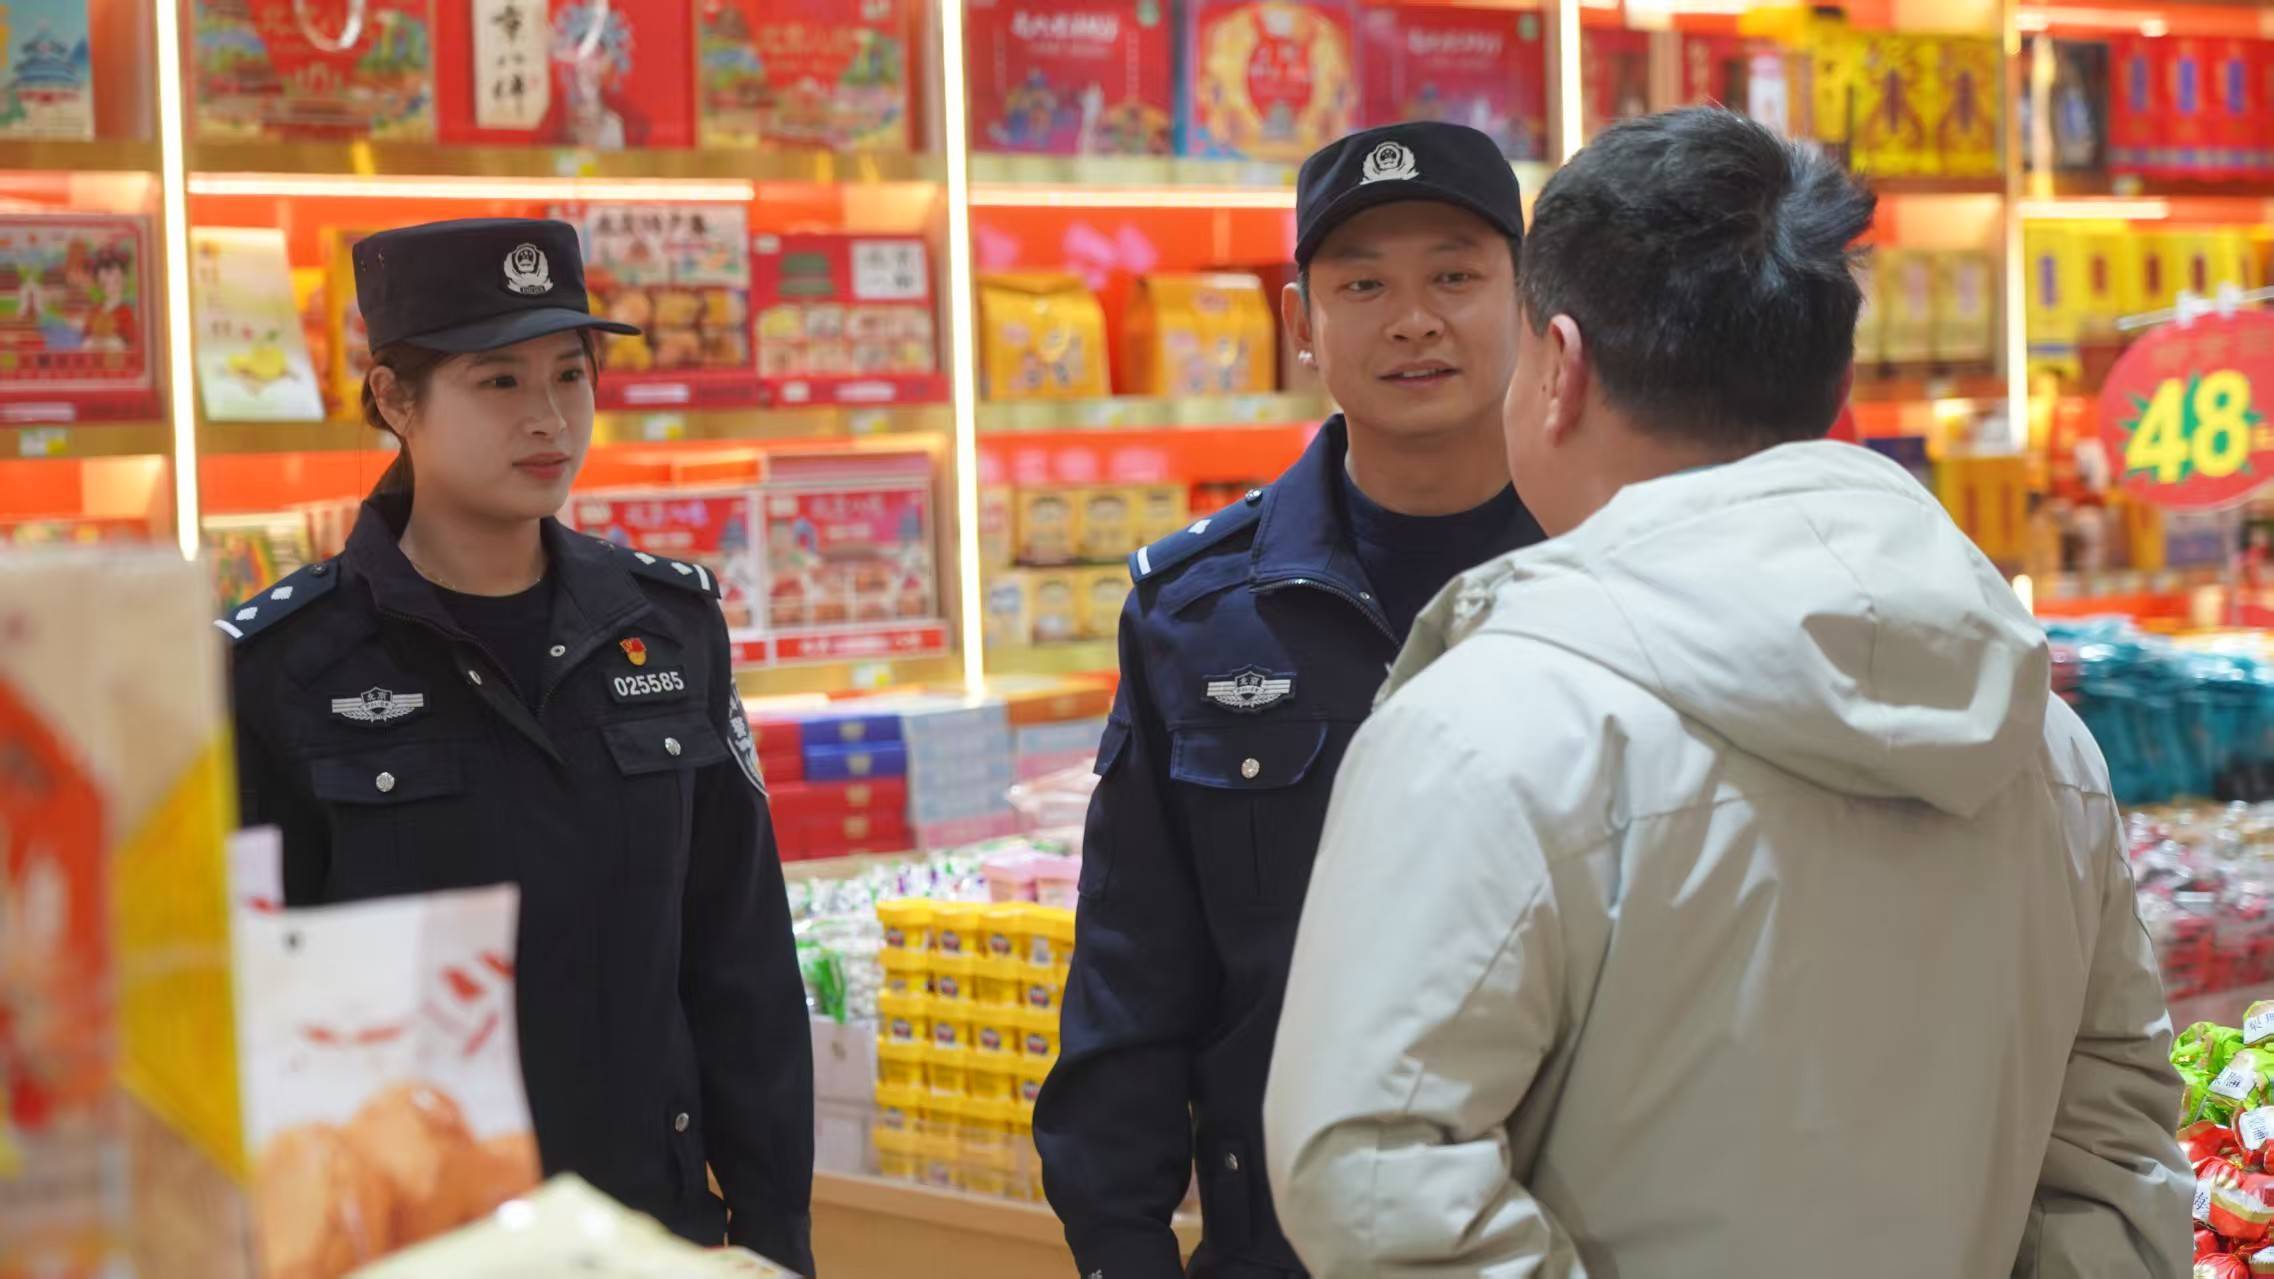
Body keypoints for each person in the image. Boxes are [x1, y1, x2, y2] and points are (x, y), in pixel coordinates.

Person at [1263, 107, 2191, 1277]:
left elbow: (1375, 1180)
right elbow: (2114, 1148)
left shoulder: (1485, 729)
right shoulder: (2041, 739)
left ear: (1559, 367)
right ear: (1835, 377)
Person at [220, 218, 815, 1273]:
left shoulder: (670, 627)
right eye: (498, 382)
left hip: (653, 1232)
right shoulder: (282, 669)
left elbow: (741, 962)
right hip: (417, 1244)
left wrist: (774, 1237)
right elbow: (247, 1011)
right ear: (395, 399)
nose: (548, 418)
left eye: (571, 376)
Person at [1035, 121, 1546, 1279]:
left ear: (1528, 302)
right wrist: (1120, 1247)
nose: (1412, 318)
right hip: (1286, 1245)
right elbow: (1133, 972)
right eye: (1363, 283)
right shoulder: (1198, 611)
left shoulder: (1613, 569)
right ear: (1301, 325)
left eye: (1455, 276)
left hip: (1567, 1228)